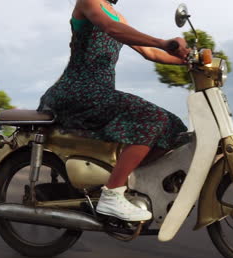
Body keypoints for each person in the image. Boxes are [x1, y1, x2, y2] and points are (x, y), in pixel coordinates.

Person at [37, 0, 190, 222]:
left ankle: (127, 181)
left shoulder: (118, 16)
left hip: (100, 92)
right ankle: (112, 194)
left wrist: (189, 60)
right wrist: (162, 42)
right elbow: (111, 28)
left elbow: (152, 54)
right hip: (77, 90)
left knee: (173, 126)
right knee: (151, 118)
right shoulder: (88, 2)